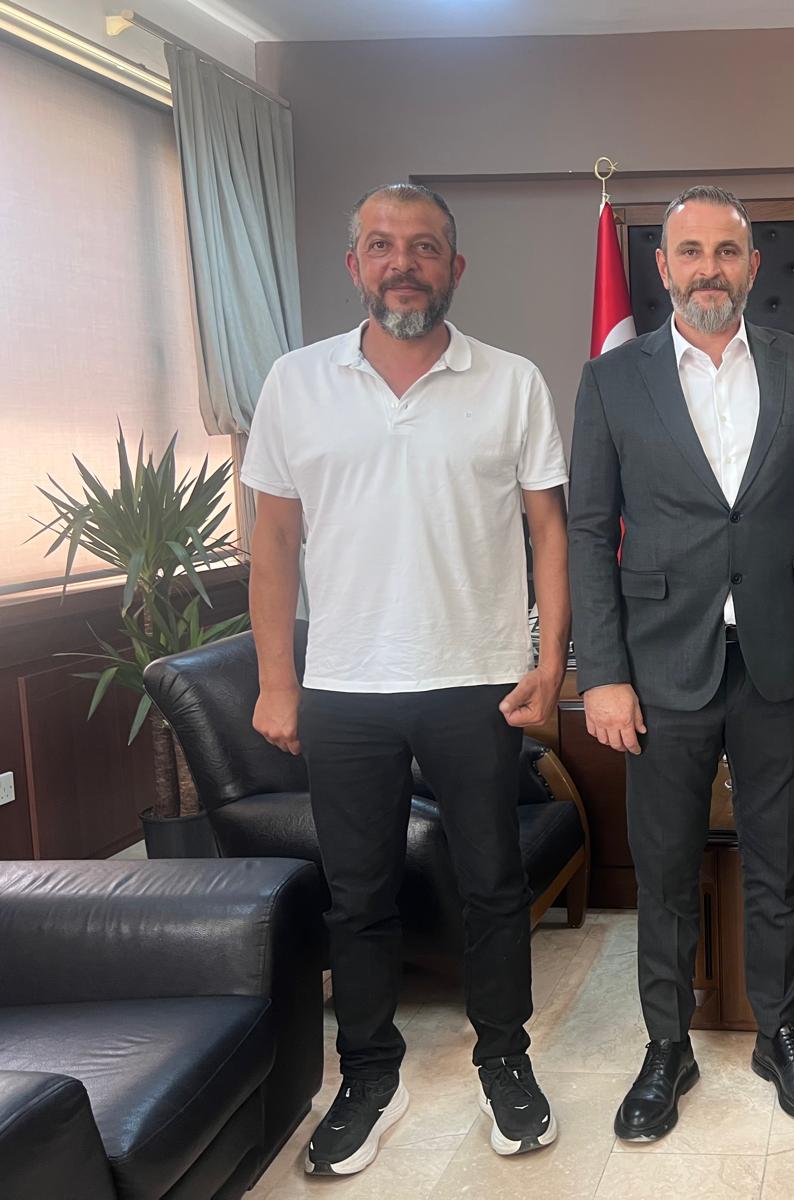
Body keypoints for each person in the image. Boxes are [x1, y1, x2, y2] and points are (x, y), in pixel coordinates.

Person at [245, 183, 570, 1175]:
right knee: (358, 897)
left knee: (493, 886)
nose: (403, 263)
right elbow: (273, 539)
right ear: (355, 265)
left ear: (453, 268)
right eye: (382, 245)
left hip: (478, 681)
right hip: (345, 687)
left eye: (424, 247)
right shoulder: (295, 382)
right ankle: (367, 1076)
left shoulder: (511, 381)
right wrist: (276, 680)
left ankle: (505, 1062)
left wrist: (550, 661)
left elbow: (549, 530)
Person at [567, 185, 794, 1141]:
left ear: (753, 265)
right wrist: (601, 673)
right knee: (665, 871)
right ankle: (666, 1047)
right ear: (662, 267)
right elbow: (590, 530)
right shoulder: (613, 380)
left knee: (777, 864)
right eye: (690, 252)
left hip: (781, 659)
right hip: (657, 669)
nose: (709, 269)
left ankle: (780, 1035)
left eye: (727, 251)